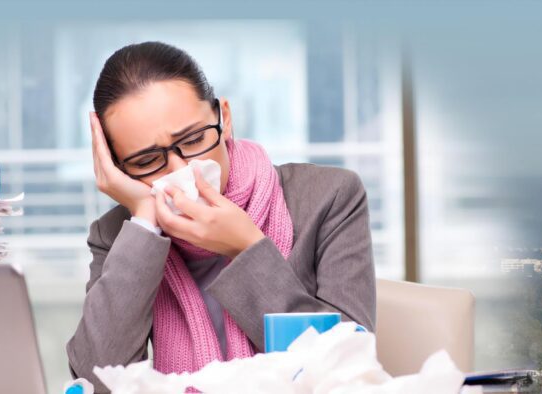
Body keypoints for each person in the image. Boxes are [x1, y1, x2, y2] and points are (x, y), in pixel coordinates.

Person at [66, 41, 376, 391]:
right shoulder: (119, 235)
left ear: (224, 118)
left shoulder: (329, 197)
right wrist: (144, 223)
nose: (182, 169)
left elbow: (349, 369)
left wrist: (246, 248)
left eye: (195, 138)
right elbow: (95, 382)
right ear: (118, 168)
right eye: (145, 161)